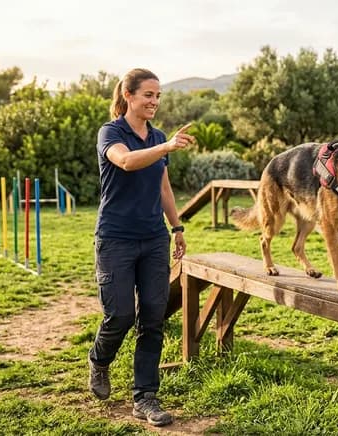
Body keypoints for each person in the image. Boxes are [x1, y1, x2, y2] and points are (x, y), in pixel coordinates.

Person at [88, 68, 195, 427]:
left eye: (158, 96)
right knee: (119, 315)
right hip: (115, 238)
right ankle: (99, 361)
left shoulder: (158, 136)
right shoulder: (111, 132)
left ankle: (145, 396)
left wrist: (176, 227)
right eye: (148, 94)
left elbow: (164, 188)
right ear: (129, 96)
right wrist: (165, 147)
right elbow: (127, 161)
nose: (154, 101)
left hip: (153, 239)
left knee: (152, 316)